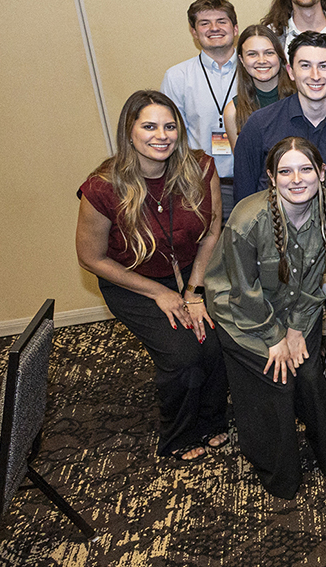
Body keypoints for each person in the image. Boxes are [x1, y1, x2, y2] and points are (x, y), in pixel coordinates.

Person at [76, 90, 227, 463]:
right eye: (149, 126)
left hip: (193, 272)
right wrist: (158, 294)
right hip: (132, 282)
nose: (162, 135)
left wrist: (193, 291)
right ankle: (179, 434)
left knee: (215, 341)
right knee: (182, 355)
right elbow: (90, 257)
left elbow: (212, 231)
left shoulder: (200, 168)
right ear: (130, 133)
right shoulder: (102, 187)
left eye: (170, 126)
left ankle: (211, 418)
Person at [233, 32, 326, 419]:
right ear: (290, 71)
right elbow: (245, 195)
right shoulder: (260, 125)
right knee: (279, 321)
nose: (315, 75)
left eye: (324, 65)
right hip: (274, 249)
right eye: (305, 65)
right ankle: (291, 385)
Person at [205, 137, 326, 498]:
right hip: (244, 317)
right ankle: (278, 471)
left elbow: (317, 275)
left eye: (306, 169)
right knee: (278, 381)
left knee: (311, 375)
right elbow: (241, 290)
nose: (296, 179)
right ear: (271, 177)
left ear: (321, 172)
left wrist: (296, 327)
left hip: (300, 308)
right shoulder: (247, 220)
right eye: (285, 171)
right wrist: (275, 337)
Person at [161, 0, 239, 210]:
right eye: (205, 23)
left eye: (222, 21)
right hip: (200, 185)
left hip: (251, 182)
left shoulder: (257, 70)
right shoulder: (177, 76)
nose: (214, 28)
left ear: (235, 28)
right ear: (194, 33)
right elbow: (172, 134)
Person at [224, 26, 294, 148]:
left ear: (280, 56)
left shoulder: (302, 98)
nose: (262, 60)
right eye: (252, 54)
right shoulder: (233, 111)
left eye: (269, 53)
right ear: (241, 60)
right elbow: (243, 164)